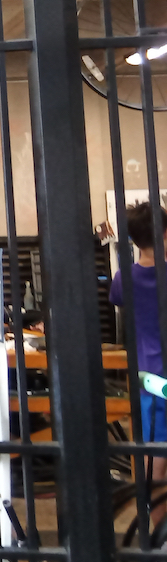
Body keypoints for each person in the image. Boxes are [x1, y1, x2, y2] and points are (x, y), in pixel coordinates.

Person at [110, 202, 167, 483]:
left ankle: (152, 510)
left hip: (149, 377)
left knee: (153, 452)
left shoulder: (123, 279)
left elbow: (118, 300)